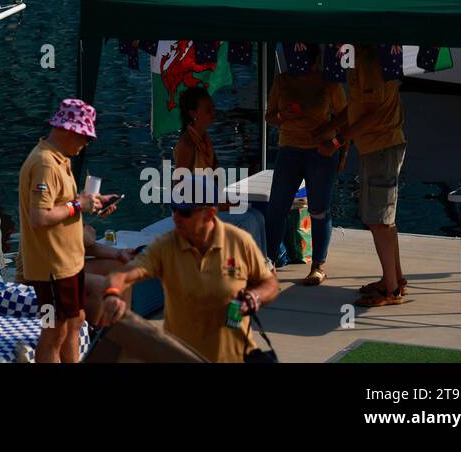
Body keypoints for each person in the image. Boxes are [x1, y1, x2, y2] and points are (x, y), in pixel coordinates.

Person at [94, 177, 280, 362]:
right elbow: (123, 274)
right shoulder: (165, 247)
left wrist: (255, 297)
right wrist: (111, 294)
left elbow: (270, 283)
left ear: (210, 213)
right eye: (173, 209)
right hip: (183, 357)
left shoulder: (240, 241)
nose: (175, 217)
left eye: (184, 212)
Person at [17, 97, 118, 363]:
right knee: (54, 331)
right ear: (66, 131)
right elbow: (39, 217)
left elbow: (63, 207)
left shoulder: (60, 160)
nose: (85, 144)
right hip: (51, 269)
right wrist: (77, 205)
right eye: (84, 138)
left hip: (67, 264)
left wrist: (90, 204)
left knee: (75, 319)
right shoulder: (45, 164)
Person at [317, 45, 408, 307]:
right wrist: (330, 127)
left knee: (379, 220)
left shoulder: (368, 61)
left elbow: (373, 113)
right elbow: (357, 107)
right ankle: (394, 279)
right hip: (374, 147)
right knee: (383, 220)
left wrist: (336, 141)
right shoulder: (360, 59)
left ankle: (390, 291)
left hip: (382, 145)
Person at [263, 48, 347, 285]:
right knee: (276, 207)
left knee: (319, 209)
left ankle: (318, 265)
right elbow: (269, 117)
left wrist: (340, 151)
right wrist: (283, 115)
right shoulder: (282, 80)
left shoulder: (327, 81)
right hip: (289, 149)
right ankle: (270, 262)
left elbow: (345, 115)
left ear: (314, 59)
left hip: (320, 151)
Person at [172, 88, 268, 258]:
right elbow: (181, 190)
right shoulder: (187, 144)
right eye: (208, 110)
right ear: (193, 113)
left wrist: (226, 201)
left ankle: (262, 267)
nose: (213, 113)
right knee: (248, 220)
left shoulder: (204, 140)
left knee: (258, 215)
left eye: (213, 108)